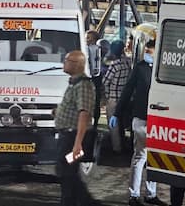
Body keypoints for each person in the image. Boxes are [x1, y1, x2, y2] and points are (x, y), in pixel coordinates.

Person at [112, 39, 167, 206]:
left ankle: (151, 194)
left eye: (150, 52)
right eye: (147, 52)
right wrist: (117, 113)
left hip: (158, 119)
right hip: (142, 118)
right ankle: (134, 195)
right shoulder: (140, 68)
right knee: (140, 156)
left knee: (154, 158)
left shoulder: (162, 69)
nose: (148, 55)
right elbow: (128, 90)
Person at [53, 50, 101, 206]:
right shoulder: (74, 82)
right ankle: (81, 201)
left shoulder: (83, 85)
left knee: (68, 172)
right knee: (67, 172)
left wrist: (77, 144)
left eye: (66, 60)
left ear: (77, 64)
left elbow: (84, 114)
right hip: (67, 137)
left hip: (72, 138)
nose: (64, 63)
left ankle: (78, 202)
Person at [102, 39, 131, 153]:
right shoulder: (127, 62)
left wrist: (106, 95)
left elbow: (105, 81)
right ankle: (124, 142)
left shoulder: (114, 65)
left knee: (113, 125)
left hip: (113, 99)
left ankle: (117, 148)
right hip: (124, 98)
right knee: (122, 122)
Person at [85, 30, 103, 127]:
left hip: (95, 78)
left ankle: (95, 122)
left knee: (95, 101)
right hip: (92, 77)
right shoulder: (90, 49)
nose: (86, 40)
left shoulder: (95, 49)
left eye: (88, 38)